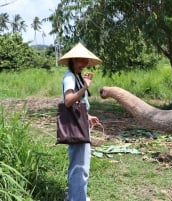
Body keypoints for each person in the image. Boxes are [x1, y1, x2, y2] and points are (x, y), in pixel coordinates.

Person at [58, 42, 102, 201]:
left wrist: (88, 116)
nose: (83, 63)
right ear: (72, 60)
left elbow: (77, 104)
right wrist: (85, 87)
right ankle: (77, 198)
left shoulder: (76, 76)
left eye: (85, 60)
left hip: (80, 122)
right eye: (79, 60)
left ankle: (74, 195)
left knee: (80, 163)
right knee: (80, 165)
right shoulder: (69, 76)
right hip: (76, 126)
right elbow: (69, 100)